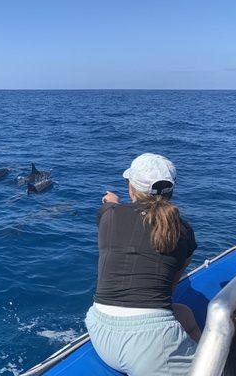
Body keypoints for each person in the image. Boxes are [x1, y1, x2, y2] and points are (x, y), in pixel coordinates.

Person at [85, 153, 200, 376]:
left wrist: (111, 201)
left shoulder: (108, 216)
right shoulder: (183, 231)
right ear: (171, 191)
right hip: (151, 347)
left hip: (99, 330)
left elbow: (110, 207)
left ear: (131, 188)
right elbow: (169, 290)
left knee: (183, 313)